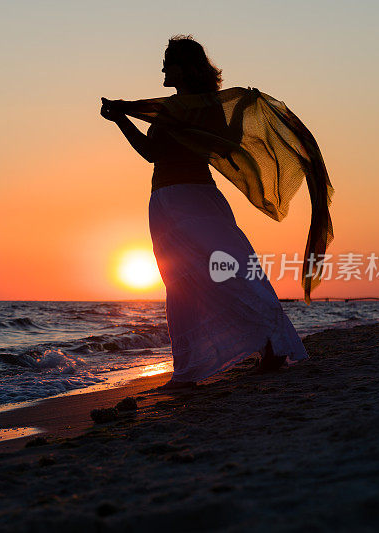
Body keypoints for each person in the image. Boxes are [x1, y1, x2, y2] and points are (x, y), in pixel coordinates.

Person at [100, 35, 310, 391]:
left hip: (175, 200)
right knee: (230, 270)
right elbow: (226, 145)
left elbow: (152, 152)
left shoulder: (177, 109)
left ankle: (190, 371)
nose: (164, 68)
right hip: (200, 198)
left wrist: (121, 120)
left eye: (169, 61)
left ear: (187, 68)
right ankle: (262, 348)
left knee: (185, 282)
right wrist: (241, 110)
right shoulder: (206, 107)